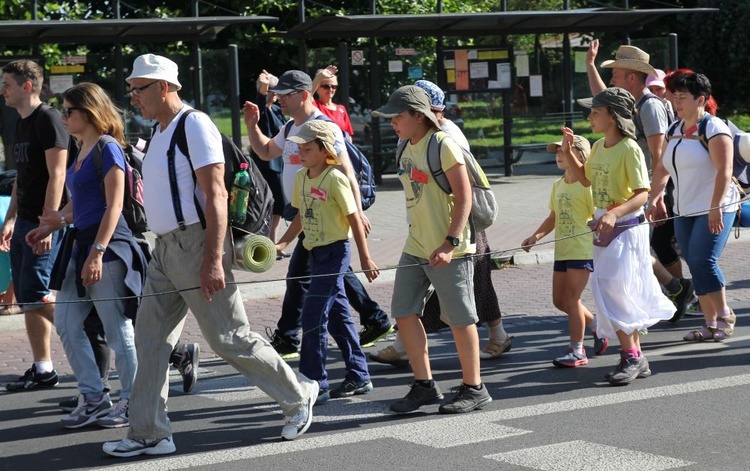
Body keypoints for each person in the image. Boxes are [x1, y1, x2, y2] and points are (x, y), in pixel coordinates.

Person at [102, 54, 318, 458]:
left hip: (197, 245)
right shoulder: (159, 129)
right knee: (150, 340)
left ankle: (297, 395)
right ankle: (150, 432)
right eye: (132, 88)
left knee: (229, 337)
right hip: (165, 248)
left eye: (139, 88)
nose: (132, 96)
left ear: (164, 87)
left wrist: (213, 258)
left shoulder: (194, 124)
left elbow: (217, 194)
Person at [244, 70, 392, 359]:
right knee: (329, 274)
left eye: (285, 95)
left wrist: (358, 213)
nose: (278, 100)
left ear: (302, 95)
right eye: (277, 95)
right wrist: (252, 124)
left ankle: (291, 338)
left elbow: (346, 171)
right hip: (307, 215)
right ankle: (374, 321)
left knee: (302, 275)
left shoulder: (324, 128)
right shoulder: (289, 128)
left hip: (321, 215)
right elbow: (264, 152)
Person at [26, 82, 146, 429]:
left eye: (68, 111)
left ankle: (132, 400)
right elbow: (82, 203)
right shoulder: (83, 148)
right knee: (66, 322)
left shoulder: (107, 147)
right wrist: (53, 223)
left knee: (116, 327)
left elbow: (114, 205)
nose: (63, 117)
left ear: (89, 112)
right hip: (80, 245)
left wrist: (97, 252)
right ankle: (93, 396)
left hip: (105, 247)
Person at [370, 79, 511, 367]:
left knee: (465, 303)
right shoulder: (407, 141)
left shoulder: (446, 139)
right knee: (410, 306)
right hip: (421, 235)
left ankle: (474, 379)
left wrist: (450, 240)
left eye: (400, 114)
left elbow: (464, 195)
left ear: (424, 112)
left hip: (455, 233)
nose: (394, 122)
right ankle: (418, 370)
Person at [567, 87, 675, 385]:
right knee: (614, 289)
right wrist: (567, 151)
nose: (590, 117)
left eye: (595, 112)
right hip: (606, 224)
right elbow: (586, 178)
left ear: (613, 116)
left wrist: (614, 213)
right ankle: (634, 355)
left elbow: (642, 194)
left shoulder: (630, 149)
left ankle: (632, 356)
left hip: (626, 226)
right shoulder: (600, 145)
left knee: (617, 289)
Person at [586, 41, 693, 323]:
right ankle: (675, 290)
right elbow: (603, 99)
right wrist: (589, 66)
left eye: (616, 74)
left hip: (646, 189)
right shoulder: (631, 104)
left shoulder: (650, 107)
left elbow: (660, 155)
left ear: (632, 77)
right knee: (642, 249)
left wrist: (655, 198)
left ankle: (672, 295)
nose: (612, 80)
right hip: (637, 188)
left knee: (642, 250)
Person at [275, 120, 379, 402]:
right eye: (299, 148)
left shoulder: (336, 179)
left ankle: (315, 383)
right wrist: (282, 243)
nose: (301, 154)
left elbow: (354, 219)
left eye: (307, 148)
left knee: (312, 315)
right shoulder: (301, 178)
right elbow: (299, 216)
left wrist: (366, 257)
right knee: (338, 316)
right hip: (313, 252)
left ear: (325, 151)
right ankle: (359, 375)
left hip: (335, 253)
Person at [647, 73, 739, 341]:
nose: (676, 102)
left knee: (703, 260)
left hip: (716, 206)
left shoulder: (714, 129)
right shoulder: (674, 129)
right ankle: (709, 324)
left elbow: (725, 170)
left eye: (682, 97)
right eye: (674, 97)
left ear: (700, 100)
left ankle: (724, 315)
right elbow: (662, 167)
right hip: (685, 208)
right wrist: (657, 197)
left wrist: (716, 208)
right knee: (695, 264)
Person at [1, 59, 68, 392]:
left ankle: (110, 339)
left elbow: (58, 174)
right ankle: (43, 369)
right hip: (26, 221)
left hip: (45, 221)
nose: (2, 91)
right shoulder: (20, 122)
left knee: (38, 293)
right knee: (28, 294)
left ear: (27, 86)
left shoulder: (49, 120)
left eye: (7, 84)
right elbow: (21, 178)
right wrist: (11, 218)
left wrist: (48, 224)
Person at [521, 133, 608, 367]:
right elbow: (553, 217)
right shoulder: (557, 185)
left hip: (582, 249)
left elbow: (598, 214)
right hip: (563, 249)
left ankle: (577, 350)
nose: (559, 155)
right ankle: (596, 326)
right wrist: (535, 236)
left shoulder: (587, 186)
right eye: (558, 152)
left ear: (580, 154)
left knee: (571, 299)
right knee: (560, 301)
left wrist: (597, 224)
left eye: (564, 150)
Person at [251, 69, 287, 245]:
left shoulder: (279, 111)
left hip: (279, 162)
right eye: (271, 89)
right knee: (272, 201)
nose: (274, 93)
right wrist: (264, 86)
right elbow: (261, 101)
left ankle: (272, 241)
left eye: (276, 89)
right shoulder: (261, 110)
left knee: (280, 203)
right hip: (266, 164)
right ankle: (268, 242)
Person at [311, 65, 354, 138]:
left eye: (334, 86)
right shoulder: (314, 106)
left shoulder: (341, 109)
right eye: (326, 86)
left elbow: (348, 135)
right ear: (317, 88)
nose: (331, 89)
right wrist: (320, 76)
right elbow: (307, 95)